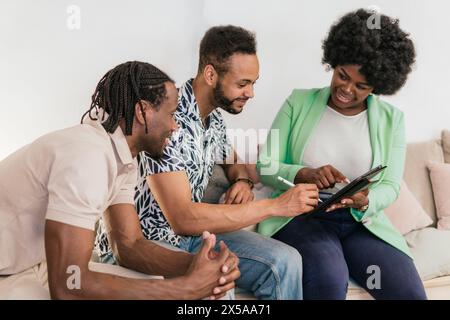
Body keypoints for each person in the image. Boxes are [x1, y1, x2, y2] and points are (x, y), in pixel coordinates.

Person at [95, 26, 320, 300]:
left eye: (253, 83)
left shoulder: (214, 120)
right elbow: (183, 218)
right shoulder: (165, 118)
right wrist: (276, 205)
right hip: (150, 241)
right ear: (211, 74)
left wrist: (242, 180)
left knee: (286, 261)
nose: (251, 93)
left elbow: (232, 161)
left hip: (195, 237)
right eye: (242, 84)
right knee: (218, 280)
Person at [0, 61, 240, 300]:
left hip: (40, 264)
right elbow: (68, 286)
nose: (175, 126)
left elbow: (129, 245)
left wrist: (197, 265)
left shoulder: (122, 156)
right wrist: (184, 289)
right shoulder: (87, 155)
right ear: (142, 111)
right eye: (171, 114)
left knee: (161, 287)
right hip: (8, 274)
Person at [257, 9, 427, 300]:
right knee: (328, 281)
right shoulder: (298, 103)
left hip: (359, 221)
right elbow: (265, 165)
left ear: (378, 86)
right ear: (333, 63)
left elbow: (390, 185)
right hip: (304, 218)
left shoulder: (392, 120)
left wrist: (366, 199)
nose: (346, 89)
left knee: (409, 292)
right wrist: (303, 174)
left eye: (360, 86)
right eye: (342, 76)